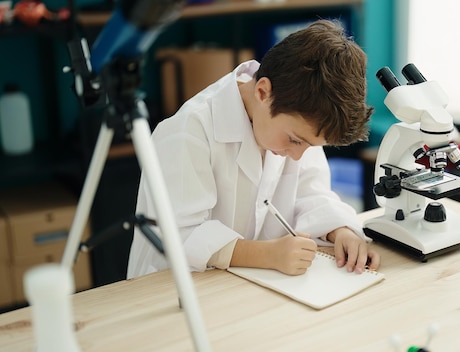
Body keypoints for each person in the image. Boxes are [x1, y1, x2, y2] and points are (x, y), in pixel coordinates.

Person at [127, 19, 380, 279]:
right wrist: (268, 255)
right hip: (172, 290)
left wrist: (341, 232)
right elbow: (180, 235)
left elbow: (311, 194)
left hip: (246, 284)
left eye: (310, 146)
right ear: (263, 92)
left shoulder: (299, 118)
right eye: (295, 141)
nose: (298, 155)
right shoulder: (188, 131)